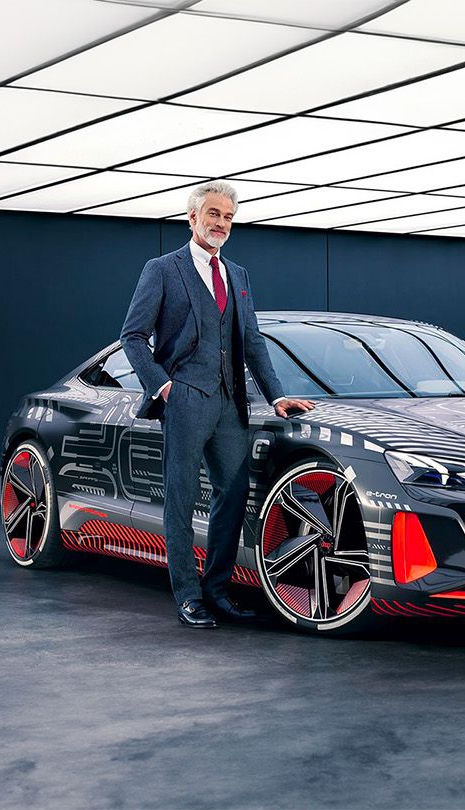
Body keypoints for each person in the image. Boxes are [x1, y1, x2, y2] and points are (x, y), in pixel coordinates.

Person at [120, 180, 316, 629]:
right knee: (181, 498)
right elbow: (132, 336)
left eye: (228, 217)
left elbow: (252, 340)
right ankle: (188, 597)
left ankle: (217, 590)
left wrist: (276, 394)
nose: (221, 223)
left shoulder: (238, 275)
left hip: (231, 403)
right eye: (213, 214)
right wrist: (164, 388)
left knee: (233, 494)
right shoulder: (163, 269)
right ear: (193, 217)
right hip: (186, 399)